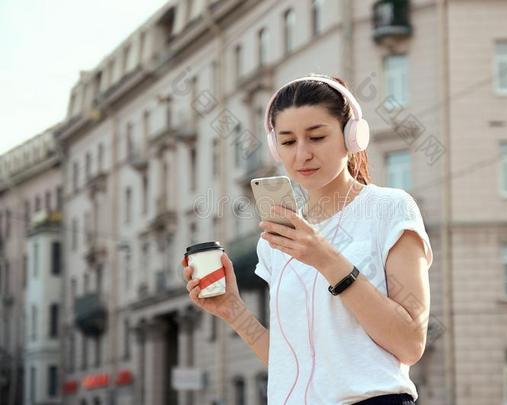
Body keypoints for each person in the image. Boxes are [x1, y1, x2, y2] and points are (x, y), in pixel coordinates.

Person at [182, 74, 433, 404]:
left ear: (351, 137)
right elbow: (290, 363)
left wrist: (326, 258)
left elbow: (410, 343)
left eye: (316, 137)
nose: (302, 154)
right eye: (287, 142)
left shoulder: (389, 208)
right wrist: (233, 310)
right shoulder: (277, 238)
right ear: (275, 148)